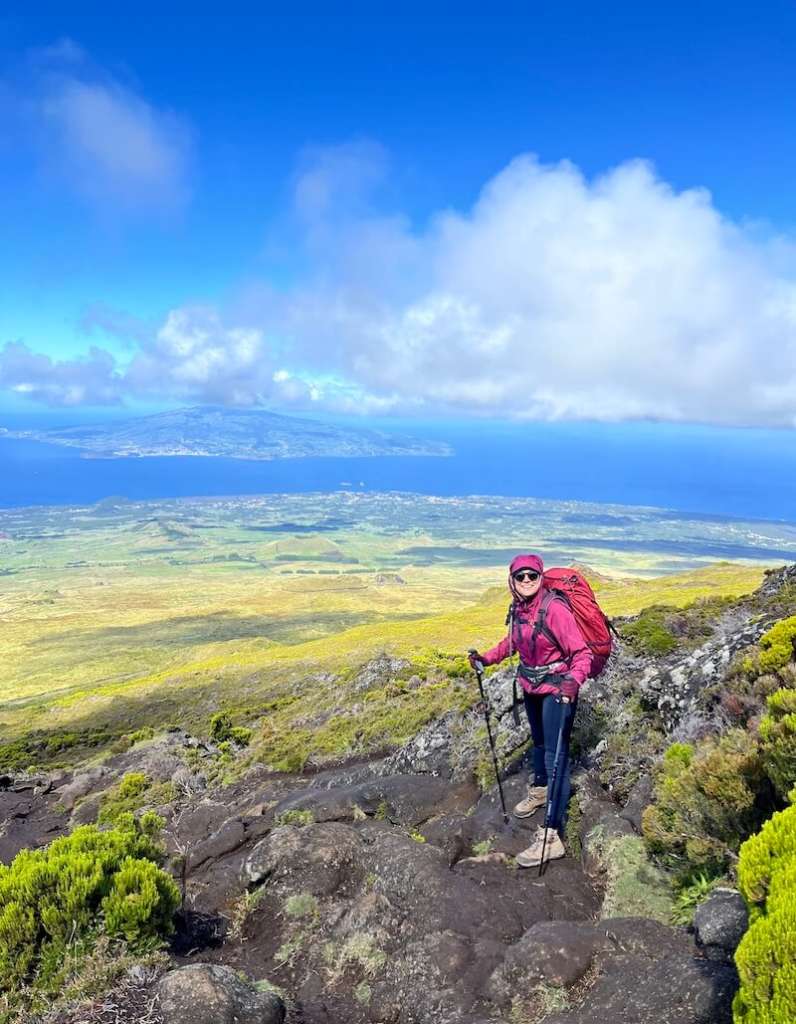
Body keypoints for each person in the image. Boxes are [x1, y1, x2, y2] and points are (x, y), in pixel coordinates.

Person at [470, 553, 592, 868]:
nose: (526, 581)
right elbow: (512, 643)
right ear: (512, 580)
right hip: (531, 686)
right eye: (521, 576)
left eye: (532, 576)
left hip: (556, 689)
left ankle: (553, 836)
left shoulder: (555, 609)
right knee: (538, 743)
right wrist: (485, 659)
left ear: (540, 578)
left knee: (556, 756)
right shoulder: (519, 609)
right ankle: (540, 791)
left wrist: (573, 682)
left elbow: (582, 654)